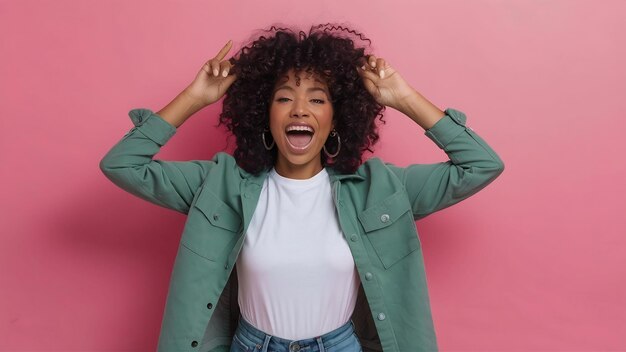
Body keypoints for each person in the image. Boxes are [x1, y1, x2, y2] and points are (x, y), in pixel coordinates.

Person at [100, 24, 504, 352]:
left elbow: (481, 165)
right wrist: (193, 97)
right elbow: (122, 164)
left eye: (317, 99)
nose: (299, 110)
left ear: (337, 117)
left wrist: (403, 97)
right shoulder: (217, 186)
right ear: (263, 114)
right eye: (283, 98)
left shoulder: (380, 189)